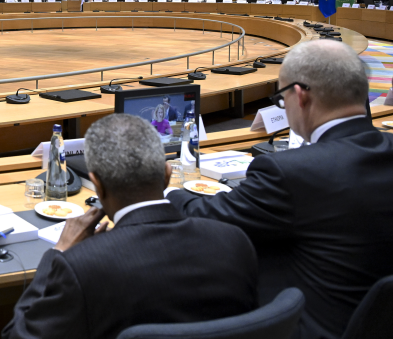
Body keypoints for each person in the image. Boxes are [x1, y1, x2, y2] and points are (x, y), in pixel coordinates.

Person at [168, 39, 393, 339]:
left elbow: (203, 219)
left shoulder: (291, 171)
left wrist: (167, 189)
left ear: (299, 96)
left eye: (280, 98)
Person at [3, 114, 259, 339]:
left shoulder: (82, 266)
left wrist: (58, 254)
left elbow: (19, 335)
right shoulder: (234, 241)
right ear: (167, 174)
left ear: (97, 185)